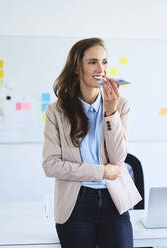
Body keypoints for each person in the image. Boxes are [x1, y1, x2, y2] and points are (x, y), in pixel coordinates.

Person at [42, 37, 132, 248]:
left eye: (105, 61)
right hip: (76, 204)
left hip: (114, 201)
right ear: (76, 67)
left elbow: (118, 158)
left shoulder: (121, 105)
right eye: (92, 62)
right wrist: (101, 172)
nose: (101, 68)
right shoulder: (57, 111)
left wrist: (110, 112)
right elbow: (51, 165)